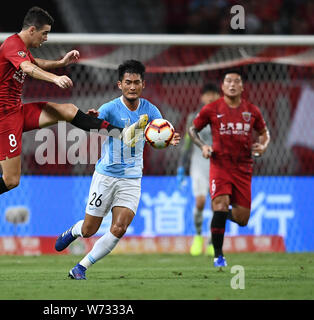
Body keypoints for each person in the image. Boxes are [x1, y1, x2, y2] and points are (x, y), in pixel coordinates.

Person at [0, 7, 147, 236]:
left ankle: (120, 133)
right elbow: (28, 67)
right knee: (11, 179)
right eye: (44, 34)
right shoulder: (12, 44)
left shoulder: (20, 49)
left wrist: (60, 62)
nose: (46, 38)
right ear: (32, 29)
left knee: (66, 110)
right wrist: (55, 79)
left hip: (16, 110)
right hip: (2, 118)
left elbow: (34, 63)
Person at [54, 60, 181, 280]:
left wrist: (167, 139)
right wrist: (93, 118)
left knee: (119, 227)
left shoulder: (151, 111)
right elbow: (94, 124)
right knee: (89, 230)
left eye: (137, 83)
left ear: (143, 85)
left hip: (132, 178)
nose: (132, 87)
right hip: (106, 176)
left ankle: (80, 267)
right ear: (119, 84)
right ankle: (75, 231)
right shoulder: (110, 108)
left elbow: (158, 135)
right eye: (128, 82)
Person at [189, 69, 270, 267]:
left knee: (242, 219)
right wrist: (203, 146)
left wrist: (263, 145)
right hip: (219, 165)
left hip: (243, 168)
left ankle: (219, 214)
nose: (232, 84)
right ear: (223, 87)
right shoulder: (212, 109)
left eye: (236, 81)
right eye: (228, 81)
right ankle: (218, 256)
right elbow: (192, 130)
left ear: (242, 87)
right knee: (221, 204)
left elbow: (264, 132)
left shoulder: (252, 110)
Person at [176, 83, 220, 257]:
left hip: (218, 166)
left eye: (214, 94)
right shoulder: (194, 118)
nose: (210, 97)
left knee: (217, 205)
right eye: (208, 94)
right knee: (201, 202)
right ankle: (199, 235)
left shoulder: (224, 117)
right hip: (199, 165)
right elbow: (187, 144)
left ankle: (212, 240)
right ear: (202, 97)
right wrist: (181, 167)